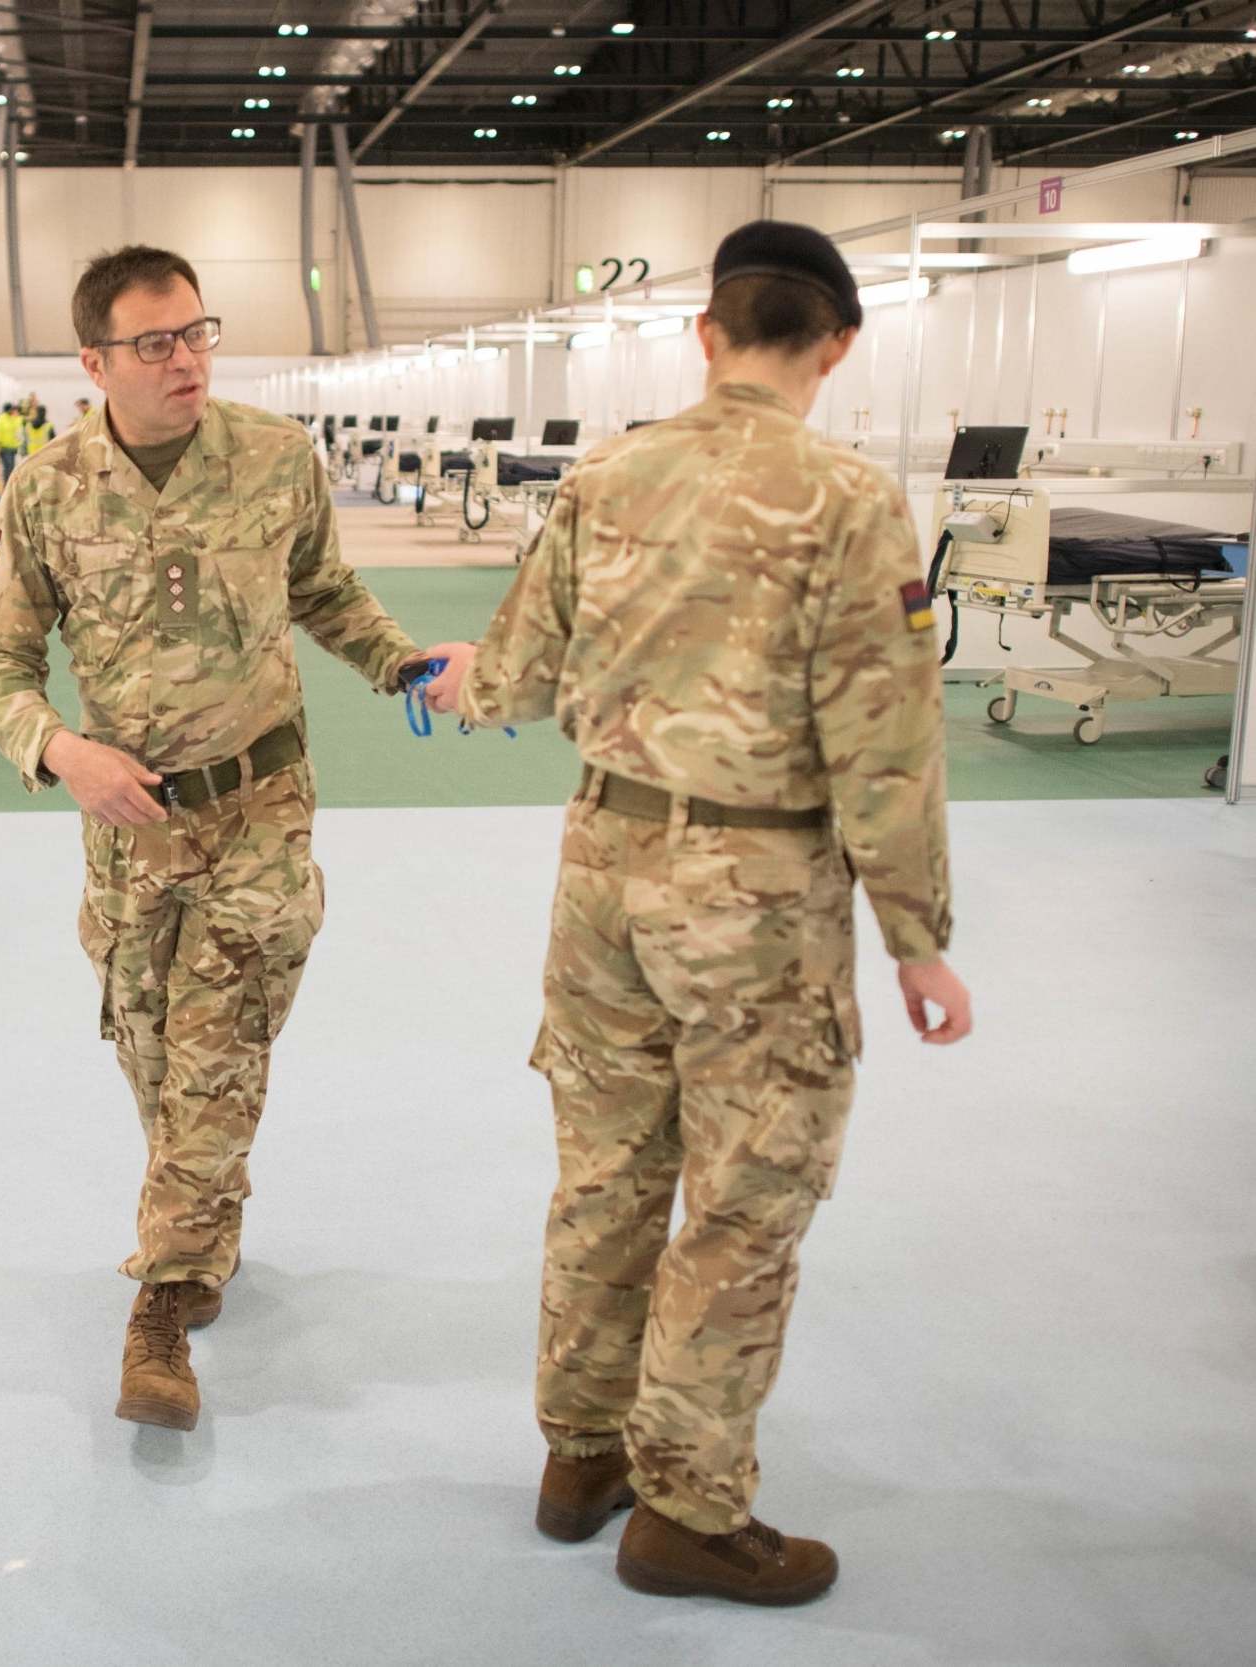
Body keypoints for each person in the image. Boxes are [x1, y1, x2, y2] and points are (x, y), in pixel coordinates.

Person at [418, 221, 972, 1607]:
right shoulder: (848, 500)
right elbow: (883, 740)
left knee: (603, 1177)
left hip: (600, 876)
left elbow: (519, 680)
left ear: (704, 333)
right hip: (755, 902)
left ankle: (578, 1458)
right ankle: (687, 1506)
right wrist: (916, 934)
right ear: (836, 343)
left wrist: (449, 676)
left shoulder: (603, 474)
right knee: (740, 1203)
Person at [0, 244, 428, 1432]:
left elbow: (323, 590)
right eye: (156, 343)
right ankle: (203, 1224)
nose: (185, 360)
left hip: (260, 808)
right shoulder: (49, 487)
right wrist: (61, 751)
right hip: (133, 828)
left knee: (218, 1048)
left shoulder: (275, 459)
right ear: (94, 361)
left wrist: (404, 662)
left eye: (198, 333)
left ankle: (159, 1309)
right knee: (156, 1052)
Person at [0, 402, 25, 483]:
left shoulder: (15, 417)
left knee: (12, 467)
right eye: (11, 409)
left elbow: (21, 423)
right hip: (4, 447)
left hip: (14, 447)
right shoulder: (0, 418)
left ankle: (10, 485)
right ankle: (7, 485)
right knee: (8, 467)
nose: (13, 411)